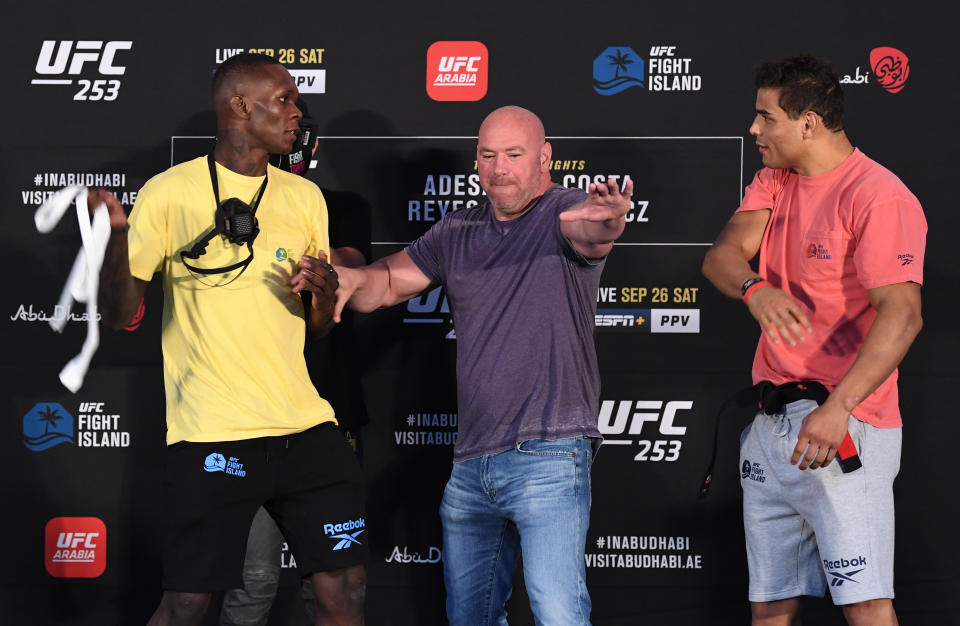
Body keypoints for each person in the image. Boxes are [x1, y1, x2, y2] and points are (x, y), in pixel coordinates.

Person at [90, 52, 366, 626]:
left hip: (304, 424)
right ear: (240, 106)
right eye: (284, 100)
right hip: (213, 433)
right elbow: (119, 315)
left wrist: (322, 294)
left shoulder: (304, 198)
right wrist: (116, 244)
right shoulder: (169, 192)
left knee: (345, 588)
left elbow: (316, 327)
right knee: (189, 603)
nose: (297, 113)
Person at [332, 105, 632, 625]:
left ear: (544, 158)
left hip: (550, 453)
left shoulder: (565, 213)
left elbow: (594, 234)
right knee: (469, 618)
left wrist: (607, 222)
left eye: (514, 155)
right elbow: (382, 285)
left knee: (560, 615)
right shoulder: (456, 231)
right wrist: (346, 279)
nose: (500, 168)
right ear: (476, 162)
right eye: (489, 155)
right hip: (471, 467)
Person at [702, 55, 925, 626]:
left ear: (808, 123)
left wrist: (838, 408)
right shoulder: (775, 179)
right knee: (769, 605)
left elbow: (902, 315)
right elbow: (722, 257)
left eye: (765, 118)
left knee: (867, 603)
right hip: (773, 428)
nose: (754, 130)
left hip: (844, 428)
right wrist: (755, 289)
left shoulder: (879, 195)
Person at [221, 115, 372, 626]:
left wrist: (293, 205)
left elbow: (337, 264)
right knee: (252, 581)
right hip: (251, 420)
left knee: (333, 587)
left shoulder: (341, 207)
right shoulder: (230, 208)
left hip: (326, 416)